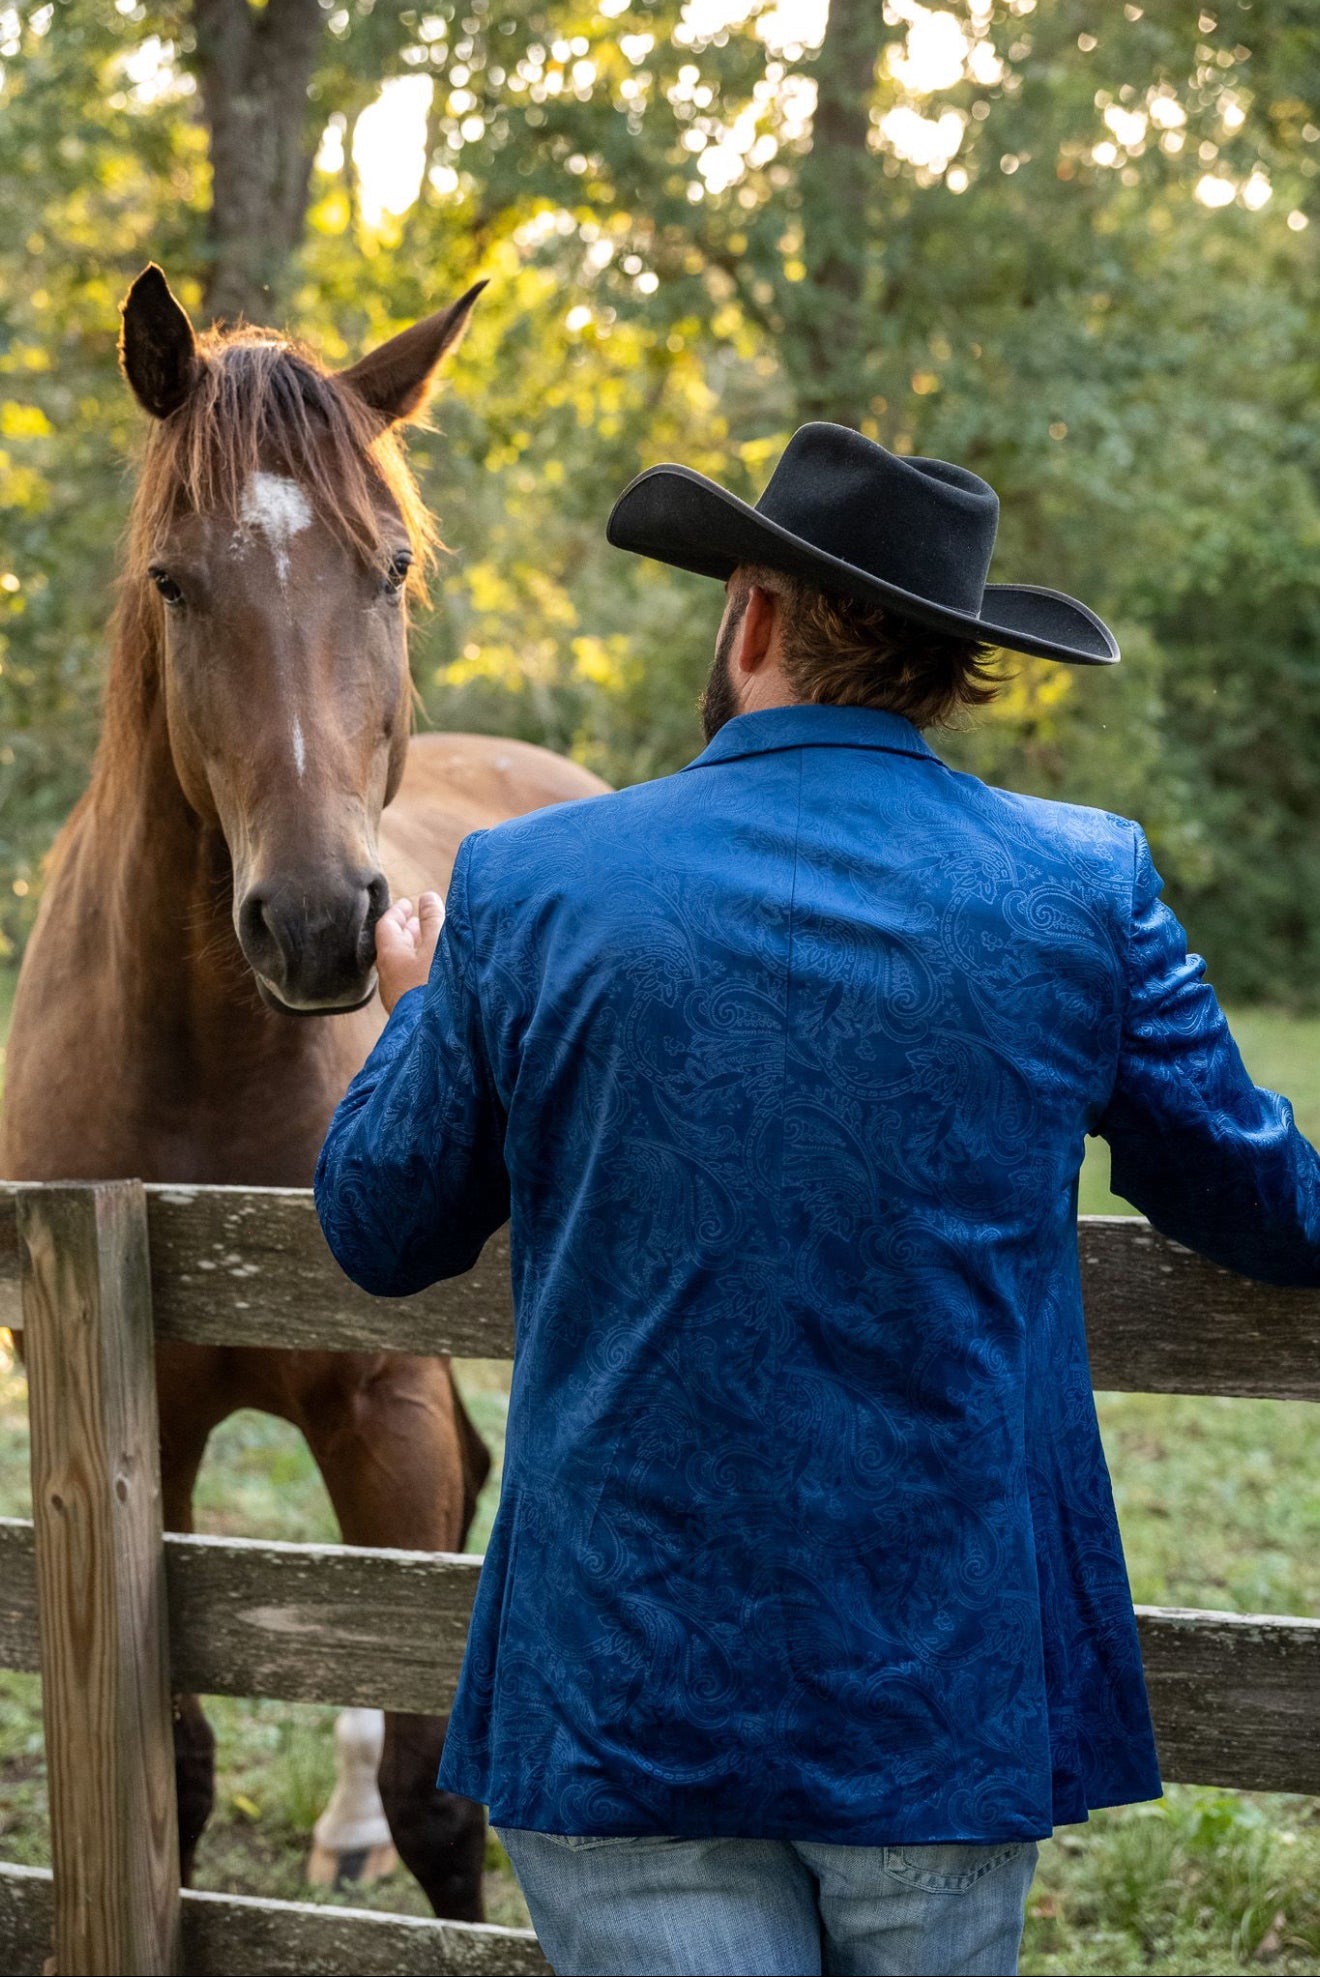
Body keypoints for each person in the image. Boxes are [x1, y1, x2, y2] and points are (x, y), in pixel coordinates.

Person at [314, 423, 1320, 1977]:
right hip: (944, 1691)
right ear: (953, 669)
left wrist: (420, 1010)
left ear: (754, 618)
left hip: (623, 1688)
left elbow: (380, 1227)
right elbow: (1270, 1203)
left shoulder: (528, 887)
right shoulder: (1083, 886)